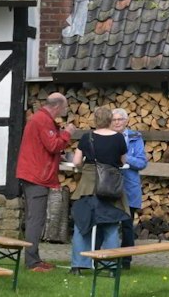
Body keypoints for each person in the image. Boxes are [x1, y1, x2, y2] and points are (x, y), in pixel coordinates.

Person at [13, 92, 73, 271]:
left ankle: (35, 258)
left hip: (34, 173)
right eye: (64, 107)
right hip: (37, 175)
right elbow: (53, 145)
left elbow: (45, 146)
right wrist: (67, 134)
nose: (65, 110)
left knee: (35, 219)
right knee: (36, 219)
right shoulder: (43, 120)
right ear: (57, 106)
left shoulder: (40, 119)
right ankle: (32, 262)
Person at [68, 106, 130, 273]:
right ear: (110, 120)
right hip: (110, 186)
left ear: (95, 120)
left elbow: (76, 162)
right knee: (110, 226)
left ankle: (78, 265)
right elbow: (123, 161)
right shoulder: (118, 138)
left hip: (88, 187)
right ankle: (109, 266)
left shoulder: (86, 137)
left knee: (82, 225)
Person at [111, 107, 150, 251]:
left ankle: (126, 260)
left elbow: (141, 163)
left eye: (120, 119)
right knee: (109, 223)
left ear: (126, 121)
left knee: (127, 225)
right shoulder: (106, 137)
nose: (117, 122)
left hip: (129, 187)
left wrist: (125, 158)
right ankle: (107, 255)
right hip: (110, 186)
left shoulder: (135, 138)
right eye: (114, 120)